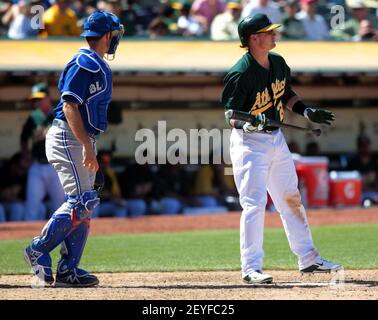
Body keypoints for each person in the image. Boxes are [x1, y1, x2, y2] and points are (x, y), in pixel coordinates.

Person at [222, 13, 342, 284]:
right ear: (254, 38)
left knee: (290, 198)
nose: (274, 35)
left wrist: (306, 110)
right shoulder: (240, 73)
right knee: (254, 204)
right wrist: (251, 122)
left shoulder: (277, 62)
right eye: (268, 32)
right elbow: (231, 116)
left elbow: (285, 93)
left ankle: (309, 260)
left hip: (276, 140)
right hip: (249, 143)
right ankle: (251, 268)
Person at [24, 10, 124, 287]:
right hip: (68, 136)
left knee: (87, 203)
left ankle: (68, 270)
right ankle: (37, 249)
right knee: (81, 202)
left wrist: (89, 145)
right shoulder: (85, 62)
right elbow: (69, 105)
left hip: (80, 137)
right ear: (106, 36)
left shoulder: (93, 61)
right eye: (113, 34)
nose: (115, 39)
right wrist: (86, 147)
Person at [21, 82, 65, 221]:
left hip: (55, 166)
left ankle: (62, 236)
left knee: (60, 206)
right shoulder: (33, 117)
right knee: (32, 207)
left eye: (40, 98)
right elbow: (23, 138)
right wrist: (26, 155)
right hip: (37, 166)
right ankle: (27, 239)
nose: (38, 102)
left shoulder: (58, 113)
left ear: (48, 98)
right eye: (36, 99)